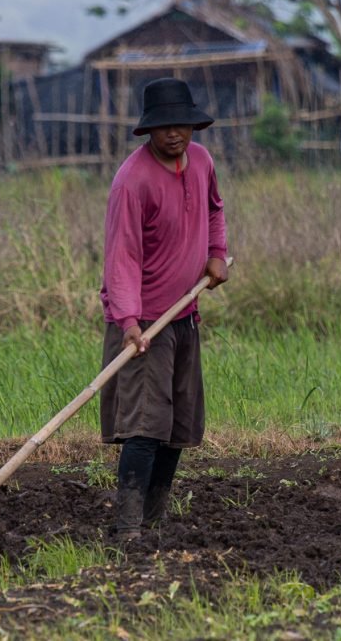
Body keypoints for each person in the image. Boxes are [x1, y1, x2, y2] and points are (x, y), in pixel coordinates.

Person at [99, 77, 229, 542]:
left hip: (185, 311)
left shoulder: (202, 160)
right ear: (148, 130)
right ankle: (128, 526)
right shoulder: (132, 181)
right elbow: (122, 256)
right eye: (165, 126)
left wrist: (217, 252)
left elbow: (214, 209)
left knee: (178, 423)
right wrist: (130, 323)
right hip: (144, 321)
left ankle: (154, 518)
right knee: (144, 426)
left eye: (183, 125)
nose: (175, 134)